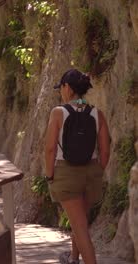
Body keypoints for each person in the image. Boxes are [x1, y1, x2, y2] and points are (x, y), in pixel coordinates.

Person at [45, 69, 110, 264]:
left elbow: (49, 149)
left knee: (80, 228)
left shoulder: (58, 113)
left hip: (66, 174)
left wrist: (50, 176)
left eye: (61, 87)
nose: (60, 92)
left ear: (68, 88)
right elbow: (105, 151)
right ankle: (73, 258)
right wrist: (98, 171)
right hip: (91, 174)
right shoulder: (97, 113)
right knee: (80, 221)